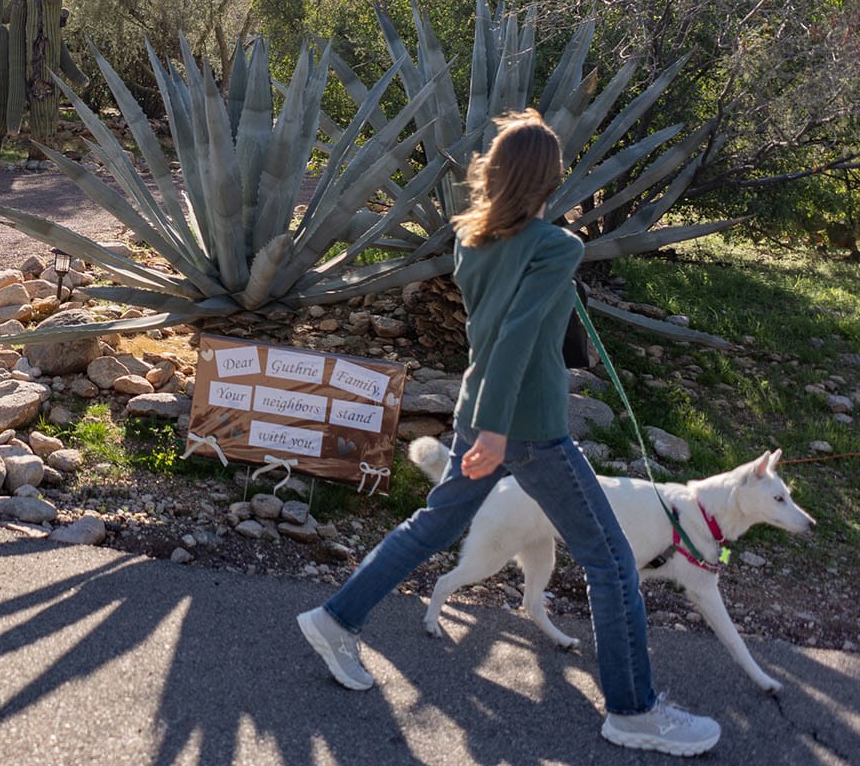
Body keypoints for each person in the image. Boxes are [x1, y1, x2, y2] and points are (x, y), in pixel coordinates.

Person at [295, 109, 721, 758]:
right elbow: (516, 336)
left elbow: (501, 329)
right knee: (610, 562)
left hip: (478, 413)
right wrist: (497, 433)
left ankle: (334, 618)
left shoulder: (470, 240)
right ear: (550, 180)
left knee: (429, 528)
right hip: (526, 428)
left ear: (491, 174)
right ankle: (634, 711)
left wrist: (484, 427)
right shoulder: (558, 247)